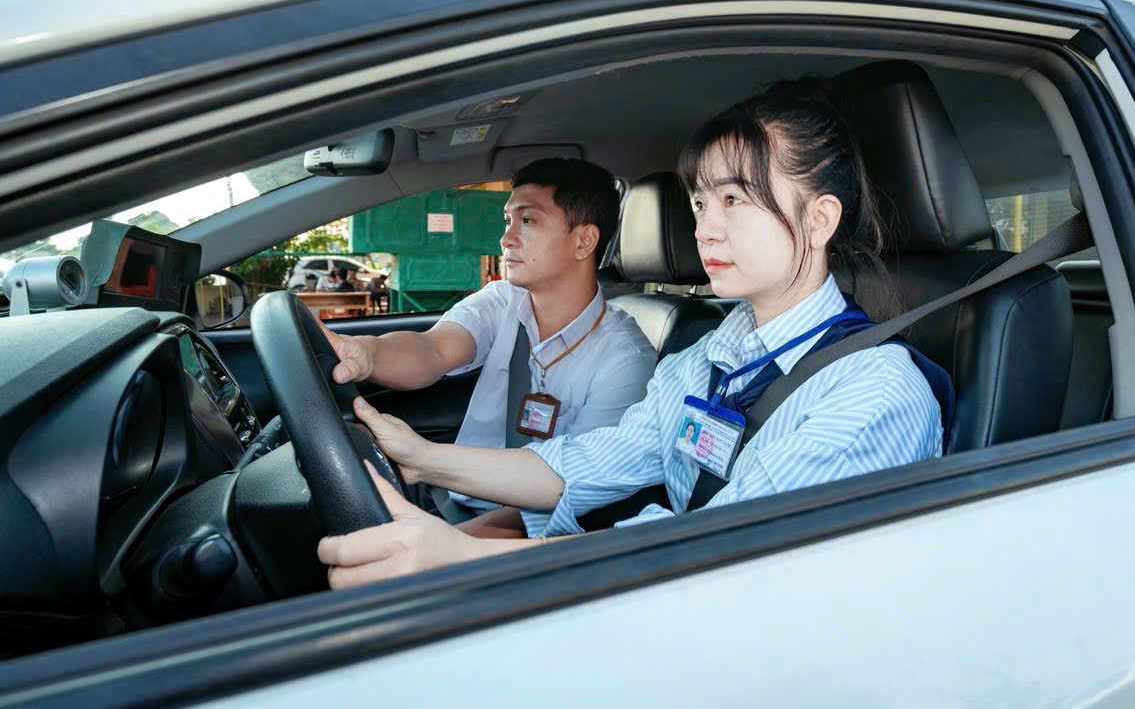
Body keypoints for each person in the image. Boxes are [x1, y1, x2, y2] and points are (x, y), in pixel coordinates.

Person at [318, 80, 953, 587]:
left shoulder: (873, 393)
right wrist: (421, 457)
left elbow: (718, 561)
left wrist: (463, 559)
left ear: (818, 219)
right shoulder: (711, 356)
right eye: (700, 202)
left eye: (734, 200)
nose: (705, 228)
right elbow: (590, 464)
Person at [320, 158, 656, 524]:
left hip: (526, 532)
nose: (506, 238)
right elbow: (433, 349)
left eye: (528, 221)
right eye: (508, 220)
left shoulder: (625, 360)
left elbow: (578, 488)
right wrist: (367, 353)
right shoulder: (502, 301)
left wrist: (451, 543)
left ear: (584, 241)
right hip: (450, 498)